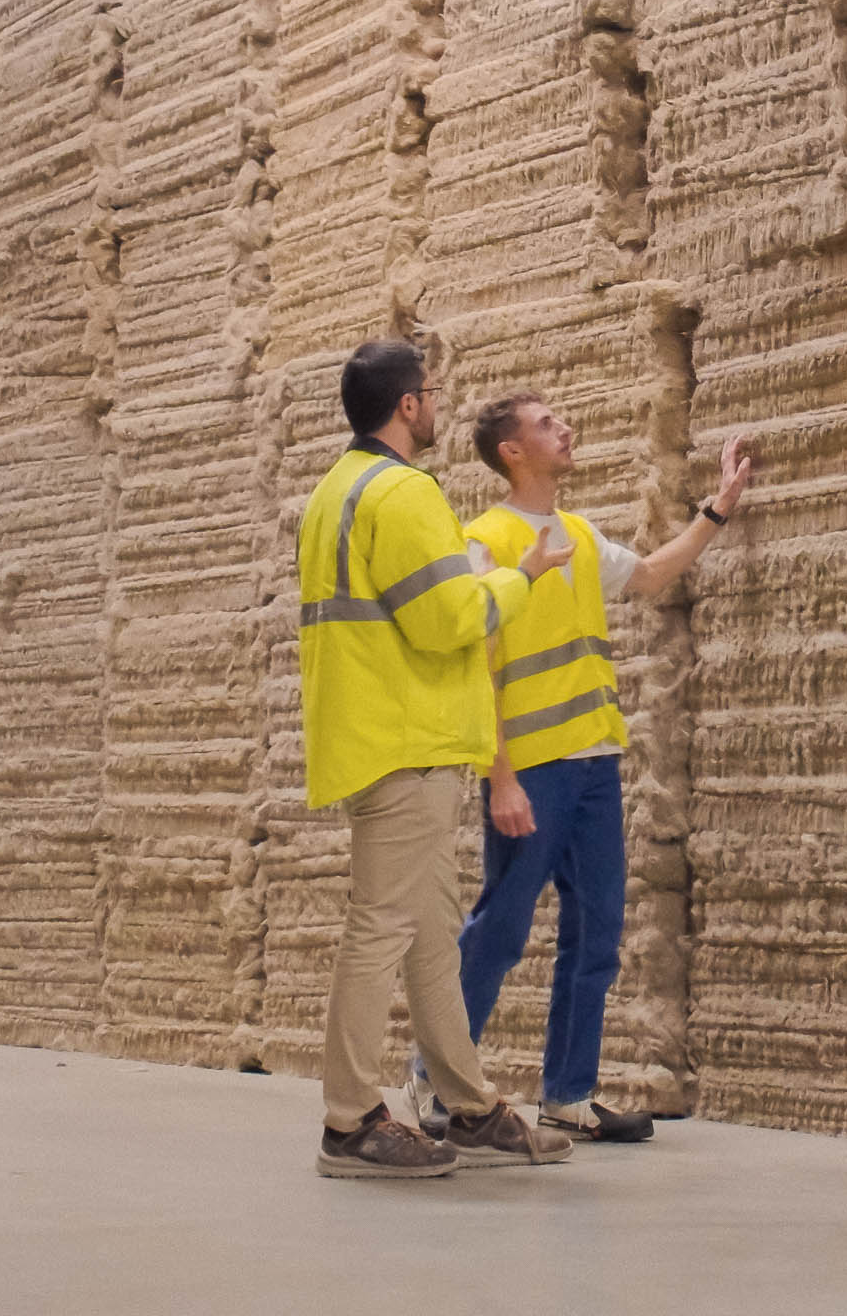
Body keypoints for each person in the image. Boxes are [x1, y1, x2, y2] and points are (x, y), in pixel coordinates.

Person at [411, 392, 754, 1145]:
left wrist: (717, 509)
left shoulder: (578, 536)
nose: (565, 429)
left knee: (597, 935)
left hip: (595, 763)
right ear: (511, 452)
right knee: (501, 930)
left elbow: (653, 575)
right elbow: (475, 666)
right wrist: (500, 777)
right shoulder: (486, 542)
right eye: (546, 424)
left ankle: (568, 1094)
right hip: (531, 770)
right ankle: (434, 1078)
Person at [296, 339, 582, 1179]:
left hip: (375, 733)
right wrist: (519, 576)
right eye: (432, 392)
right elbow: (448, 619)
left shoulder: (336, 489)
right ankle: (349, 1122)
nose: (438, 404)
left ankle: (468, 1104)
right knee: (381, 927)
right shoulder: (405, 492)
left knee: (429, 936)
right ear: (408, 405)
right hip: (405, 739)